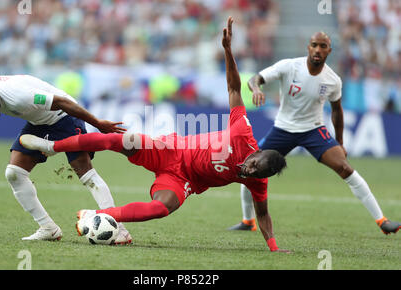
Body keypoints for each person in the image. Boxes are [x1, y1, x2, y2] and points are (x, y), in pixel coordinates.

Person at [20, 17, 290, 252]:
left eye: (255, 173)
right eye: (252, 164)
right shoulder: (243, 133)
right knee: (121, 140)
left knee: (161, 208)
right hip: (169, 149)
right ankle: (53, 146)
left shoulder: (258, 182)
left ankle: (98, 214)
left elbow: (263, 215)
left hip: (183, 180)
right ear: (256, 152)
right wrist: (228, 50)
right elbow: (233, 89)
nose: (248, 170)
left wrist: (274, 248)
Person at [0, 42, 133, 243]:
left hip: (64, 116)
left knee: (84, 171)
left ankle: (119, 228)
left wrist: (97, 123)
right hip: (39, 122)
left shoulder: (17, 98)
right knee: (14, 173)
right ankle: (48, 228)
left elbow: (61, 102)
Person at [228, 32, 400, 235]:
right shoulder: (289, 66)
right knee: (251, 165)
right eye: (314, 45)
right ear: (308, 47)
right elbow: (257, 78)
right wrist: (256, 88)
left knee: (345, 168)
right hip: (283, 129)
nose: (318, 49)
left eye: (323, 46)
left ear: (329, 50)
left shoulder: (333, 80)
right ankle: (248, 221)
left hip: (313, 130)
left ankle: (382, 220)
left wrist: (340, 142)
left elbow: (337, 111)